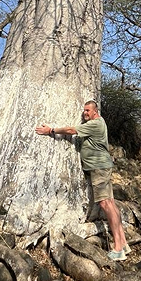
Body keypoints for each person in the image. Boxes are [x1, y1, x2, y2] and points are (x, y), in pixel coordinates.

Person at [35, 100, 130, 261]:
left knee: (106, 204)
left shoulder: (95, 123)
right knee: (111, 204)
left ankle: (118, 247)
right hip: (101, 167)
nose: (85, 113)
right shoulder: (97, 122)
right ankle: (124, 243)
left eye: (88, 110)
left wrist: (50, 130)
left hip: (99, 168)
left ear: (95, 111)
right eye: (84, 110)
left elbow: (71, 130)